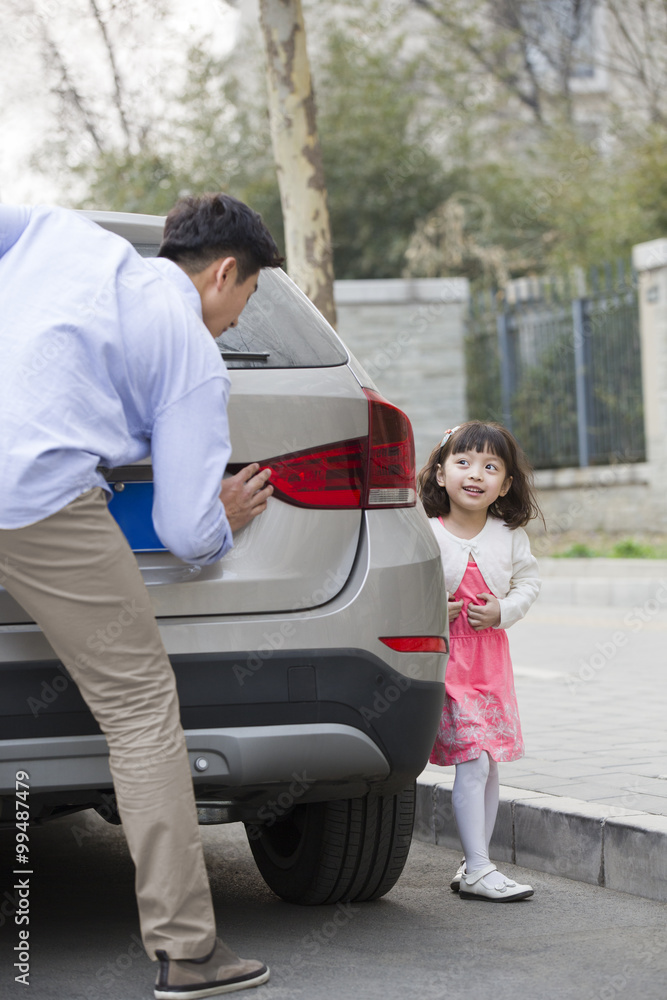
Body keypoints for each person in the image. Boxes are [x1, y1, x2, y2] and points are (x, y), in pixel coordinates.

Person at [0, 194, 283, 996]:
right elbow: (186, 534)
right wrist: (222, 515)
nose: (233, 322)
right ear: (224, 272)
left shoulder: (58, 232)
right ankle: (188, 951)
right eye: (247, 301)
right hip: (37, 501)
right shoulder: (192, 354)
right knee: (139, 711)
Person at [417, 420, 542, 902]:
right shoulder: (426, 531)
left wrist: (503, 610)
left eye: (491, 467)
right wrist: (432, 607)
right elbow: (403, 584)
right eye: (463, 462)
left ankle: (475, 862)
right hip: (446, 661)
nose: (476, 474)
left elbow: (528, 584)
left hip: (490, 661)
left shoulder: (508, 535)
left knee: (488, 764)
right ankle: (479, 868)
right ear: (441, 473)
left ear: (506, 484)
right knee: (471, 760)